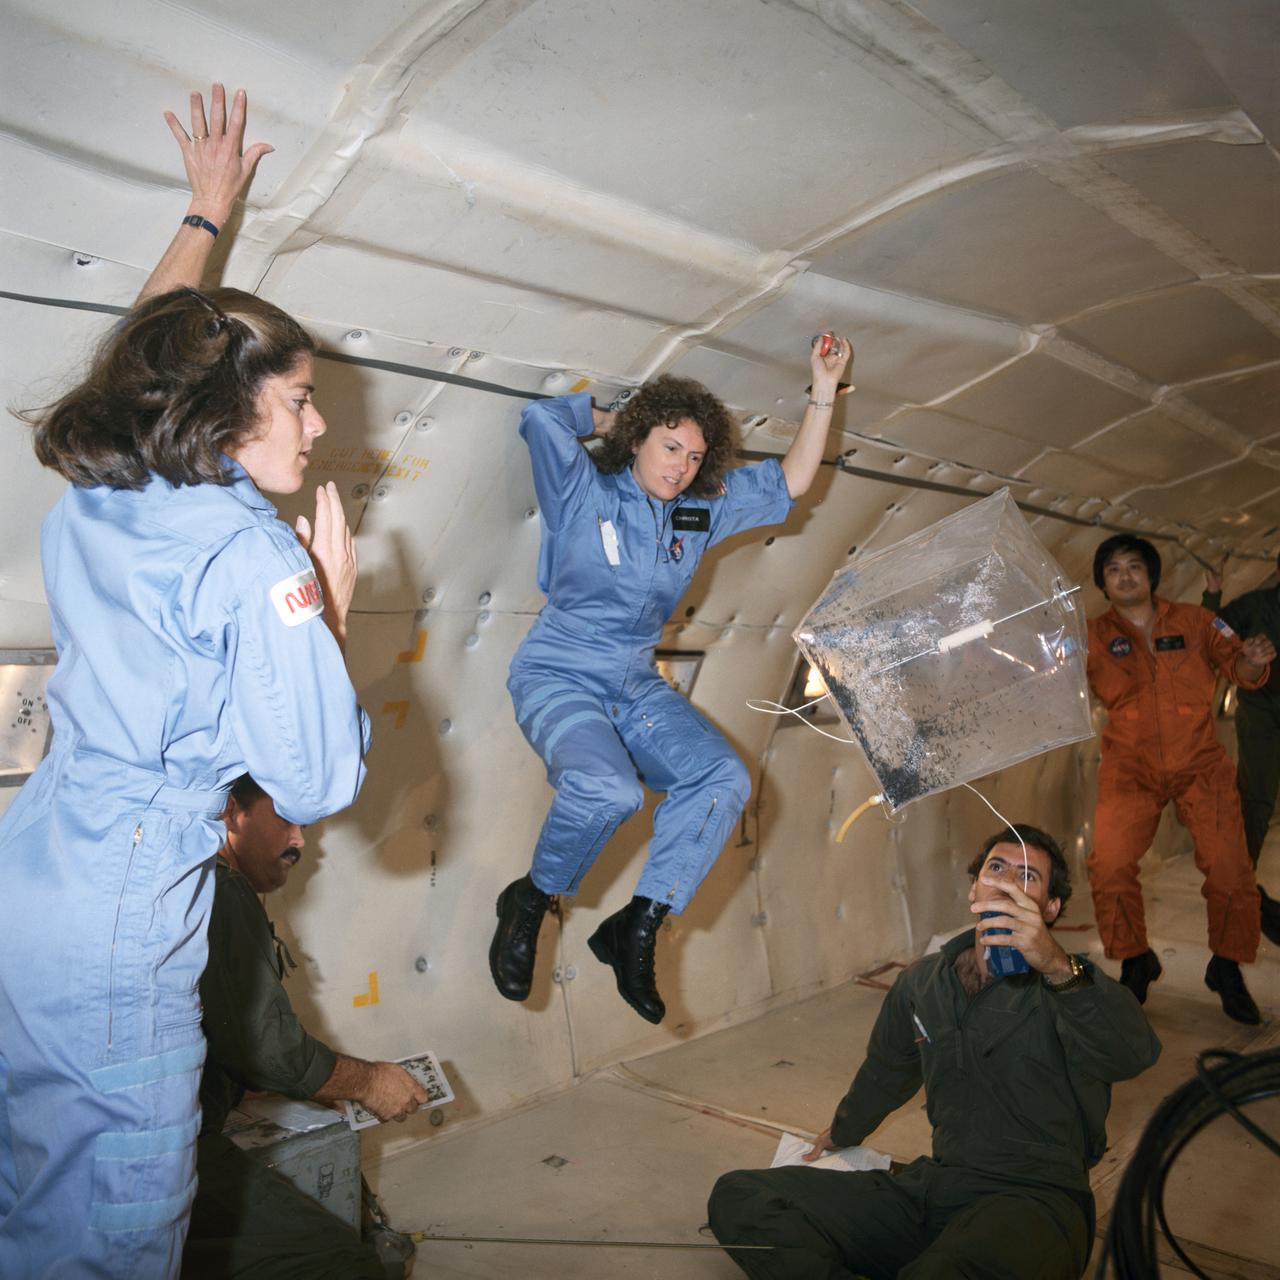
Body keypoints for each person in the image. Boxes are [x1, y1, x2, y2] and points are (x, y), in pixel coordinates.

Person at [0, 86, 369, 1278]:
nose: (315, 424)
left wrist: (205, 215)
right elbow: (311, 778)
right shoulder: (254, 558)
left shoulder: (107, 482)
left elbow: (142, 356)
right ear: (224, 407)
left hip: (35, 866)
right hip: (123, 912)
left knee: (30, 1190)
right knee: (116, 1227)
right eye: (299, 396)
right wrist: (326, 616)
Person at [491, 337, 854, 1024]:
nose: (681, 467)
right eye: (668, 447)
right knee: (610, 790)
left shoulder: (699, 509)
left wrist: (824, 390)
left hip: (633, 679)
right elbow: (540, 418)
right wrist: (609, 420)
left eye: (693, 456)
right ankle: (530, 900)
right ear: (638, 442)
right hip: (560, 671)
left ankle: (637, 925)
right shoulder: (583, 491)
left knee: (724, 779)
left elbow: (792, 481)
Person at [708, 825, 1160, 1280]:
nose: (1007, 882)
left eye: (1028, 876)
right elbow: (887, 1069)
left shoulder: (1071, 986)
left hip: (1036, 1205)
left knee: (952, 1269)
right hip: (936, 1190)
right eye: (996, 868)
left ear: (1050, 908)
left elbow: (1133, 1053)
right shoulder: (923, 983)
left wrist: (1057, 965)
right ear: (974, 889)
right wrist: (843, 1130)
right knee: (741, 1196)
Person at [184, 775, 424, 1280]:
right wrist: (370, 1083)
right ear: (232, 812)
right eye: (286, 819)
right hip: (167, 1147)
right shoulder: (223, 890)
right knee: (341, 1265)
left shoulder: (190, 877)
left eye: (305, 825)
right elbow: (269, 1050)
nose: (299, 840)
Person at [1086, 534, 1274, 1024]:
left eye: (1133, 566)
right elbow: (1061, 685)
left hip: (1200, 765)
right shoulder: (1091, 636)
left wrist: (1253, 660)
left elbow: (1238, 665)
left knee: (1230, 869)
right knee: (1109, 865)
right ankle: (1135, 959)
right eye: (1113, 570)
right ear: (1103, 584)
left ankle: (1227, 966)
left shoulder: (1196, 621)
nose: (1125, 576)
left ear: (1151, 575)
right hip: (1130, 769)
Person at [1203, 552, 1280, 946]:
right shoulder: (1255, 605)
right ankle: (1240, 888)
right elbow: (1213, 627)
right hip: (1261, 715)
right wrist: (1213, 592)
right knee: (1256, 799)